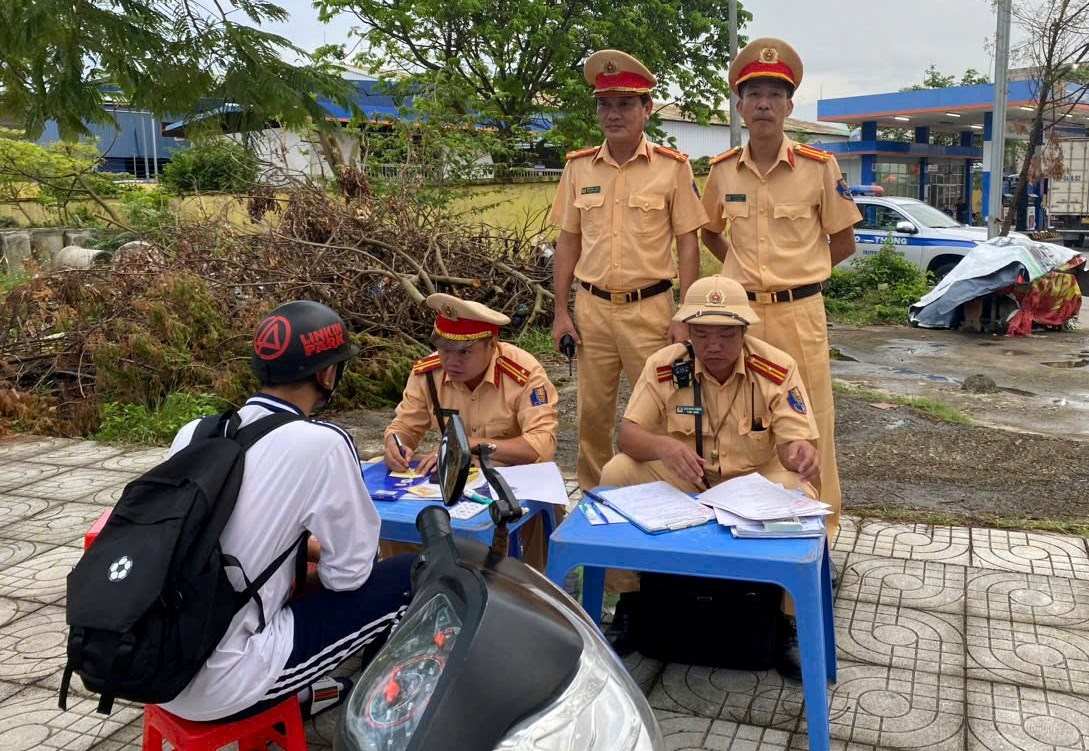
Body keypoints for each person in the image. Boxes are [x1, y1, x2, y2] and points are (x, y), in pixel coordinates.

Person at [161, 300, 414, 722]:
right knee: (407, 576)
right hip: (226, 683)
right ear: (328, 373)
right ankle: (383, 712)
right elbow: (350, 574)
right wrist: (306, 578)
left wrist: (298, 564)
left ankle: (311, 693)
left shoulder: (197, 431)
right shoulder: (323, 443)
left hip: (156, 662)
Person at [601, 275, 819, 678]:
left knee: (798, 491)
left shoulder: (775, 367)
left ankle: (786, 620)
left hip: (752, 481)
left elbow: (794, 441)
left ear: (744, 332)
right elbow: (628, 436)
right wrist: (666, 447)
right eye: (702, 336)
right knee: (616, 473)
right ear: (688, 332)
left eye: (726, 336)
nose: (713, 347)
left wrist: (800, 453)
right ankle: (628, 603)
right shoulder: (665, 365)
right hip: (688, 476)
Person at [699, 38, 861, 543]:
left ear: (790, 105)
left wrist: (805, 275)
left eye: (775, 93)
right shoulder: (723, 170)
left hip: (799, 313)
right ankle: (745, 524)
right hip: (739, 318)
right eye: (753, 94)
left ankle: (822, 535)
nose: (764, 103)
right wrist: (737, 270)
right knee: (741, 420)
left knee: (812, 421)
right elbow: (708, 229)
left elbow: (844, 241)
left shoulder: (818, 167)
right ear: (740, 105)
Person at [549, 49, 708, 492]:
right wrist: (561, 312)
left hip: (652, 310)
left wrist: (686, 314)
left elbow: (688, 242)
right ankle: (595, 503)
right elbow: (568, 241)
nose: (613, 114)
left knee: (667, 412)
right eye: (605, 104)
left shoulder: (672, 168)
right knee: (592, 417)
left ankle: (666, 500)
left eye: (625, 104)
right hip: (593, 310)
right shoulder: (579, 167)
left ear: (646, 110)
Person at [383, 293, 559, 567]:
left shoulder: (524, 373)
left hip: (509, 474)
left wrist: (472, 446)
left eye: (465, 352)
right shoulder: (427, 373)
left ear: (492, 344)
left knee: (538, 505)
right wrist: (396, 443)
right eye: (444, 349)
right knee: (392, 509)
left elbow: (541, 445)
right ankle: (409, 587)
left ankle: (540, 584)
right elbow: (404, 426)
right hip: (454, 478)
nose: (451, 361)